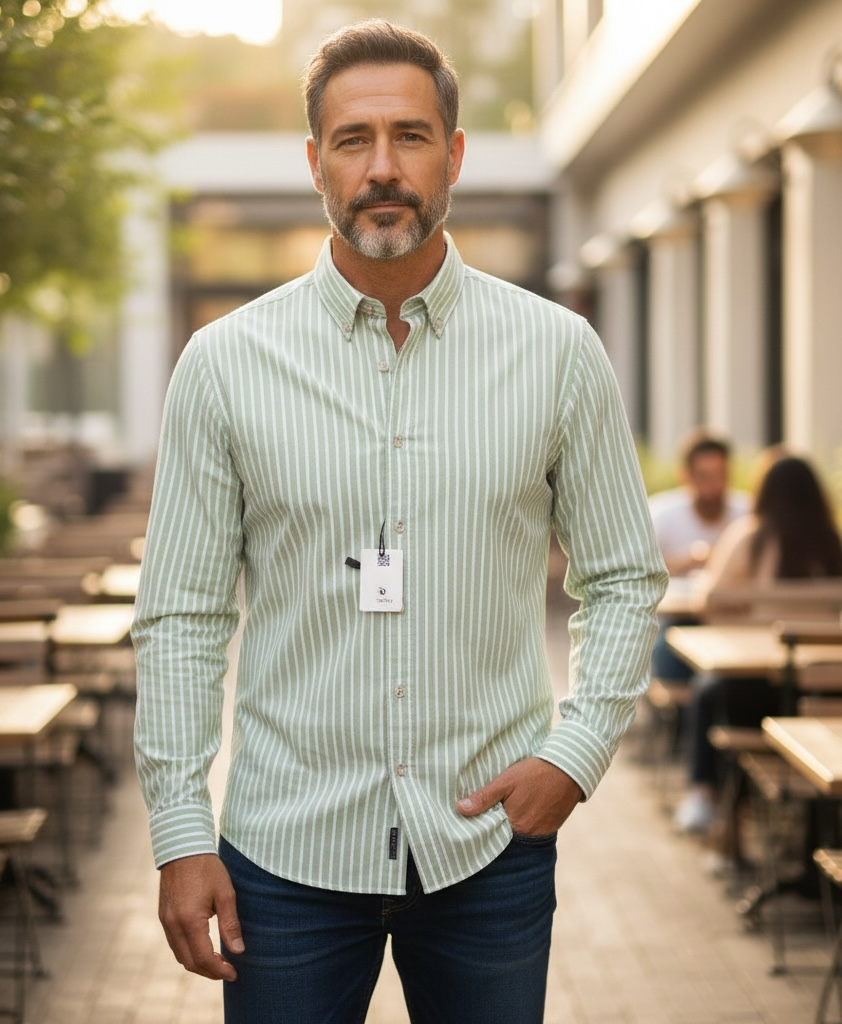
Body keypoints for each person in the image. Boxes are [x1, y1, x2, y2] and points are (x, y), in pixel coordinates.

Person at [132, 20, 667, 1024]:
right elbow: (182, 614)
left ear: (454, 154)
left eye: (411, 136)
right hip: (281, 858)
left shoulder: (558, 353)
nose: (383, 167)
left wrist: (577, 751)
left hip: (488, 853)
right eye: (353, 139)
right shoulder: (223, 364)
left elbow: (623, 575)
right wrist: (179, 831)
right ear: (314, 164)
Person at [671, 454, 842, 834]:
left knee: (707, 691)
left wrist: (743, 610)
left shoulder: (751, 537)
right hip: (827, 696)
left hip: (759, 696)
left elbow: (707, 600)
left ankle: (706, 797)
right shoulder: (833, 541)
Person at [649, 430, 750, 681]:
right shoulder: (660, 514)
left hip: (736, 625)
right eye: (704, 477)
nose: (712, 487)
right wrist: (686, 561)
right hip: (675, 624)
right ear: (685, 476)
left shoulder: (748, 514)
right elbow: (639, 570)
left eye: (720, 476)